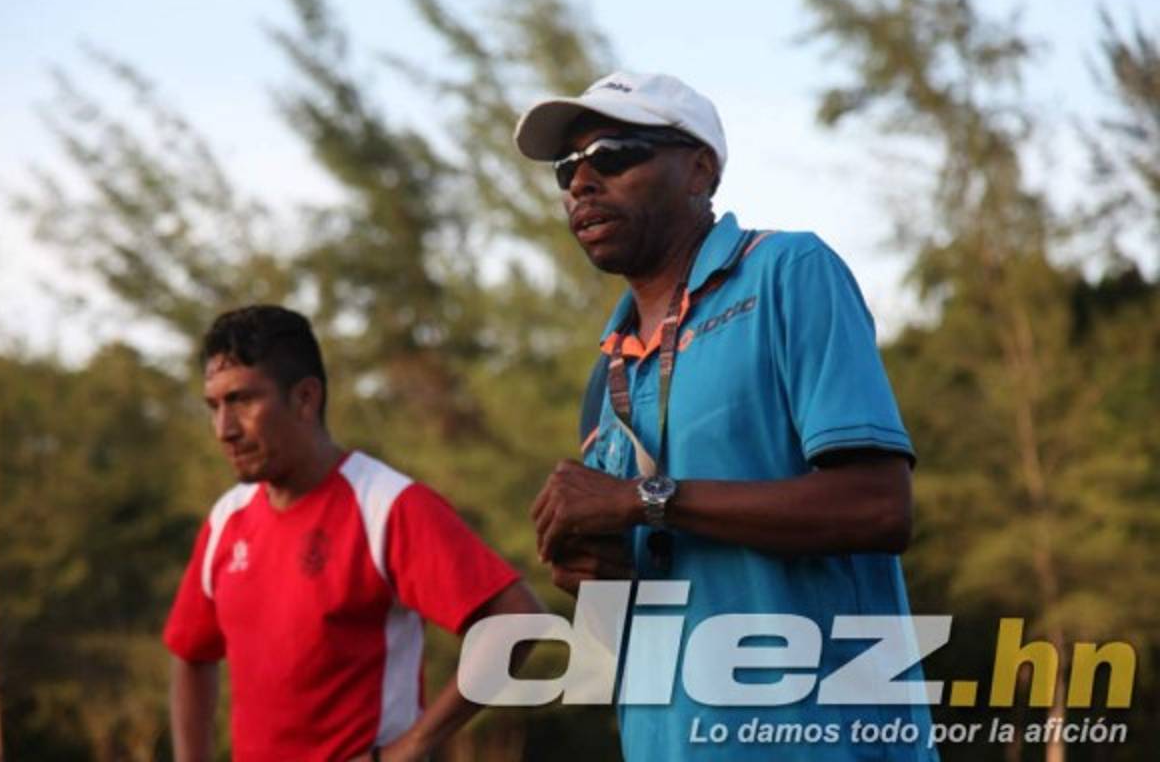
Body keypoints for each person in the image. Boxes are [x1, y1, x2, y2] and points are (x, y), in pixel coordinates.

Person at [516, 72, 938, 760]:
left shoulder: (787, 272)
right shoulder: (607, 373)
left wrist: (643, 500)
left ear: (699, 170)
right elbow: (636, 616)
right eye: (568, 168)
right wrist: (593, 576)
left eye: (613, 155)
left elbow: (878, 507)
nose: (581, 183)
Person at [164, 305, 542, 762]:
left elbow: (516, 621)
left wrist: (410, 748)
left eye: (242, 400)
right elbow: (190, 653)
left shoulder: (386, 505)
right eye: (214, 405)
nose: (224, 429)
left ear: (305, 398)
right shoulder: (227, 519)